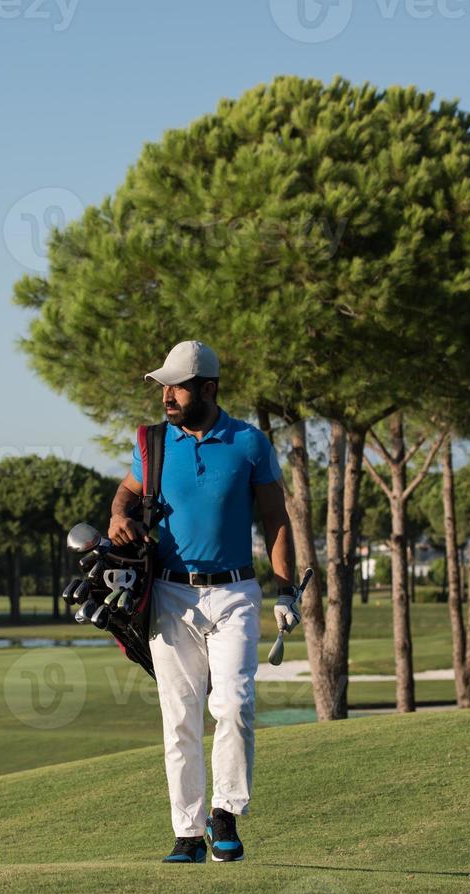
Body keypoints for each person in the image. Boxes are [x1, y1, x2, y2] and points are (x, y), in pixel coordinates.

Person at [108, 340, 297, 864]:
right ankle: (188, 835)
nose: (167, 395)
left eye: (178, 386)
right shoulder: (153, 444)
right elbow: (126, 491)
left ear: (208, 388)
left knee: (234, 704)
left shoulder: (249, 443)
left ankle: (225, 813)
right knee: (180, 718)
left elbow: (276, 519)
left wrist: (286, 588)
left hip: (235, 592)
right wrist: (118, 518)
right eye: (163, 385)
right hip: (169, 594)